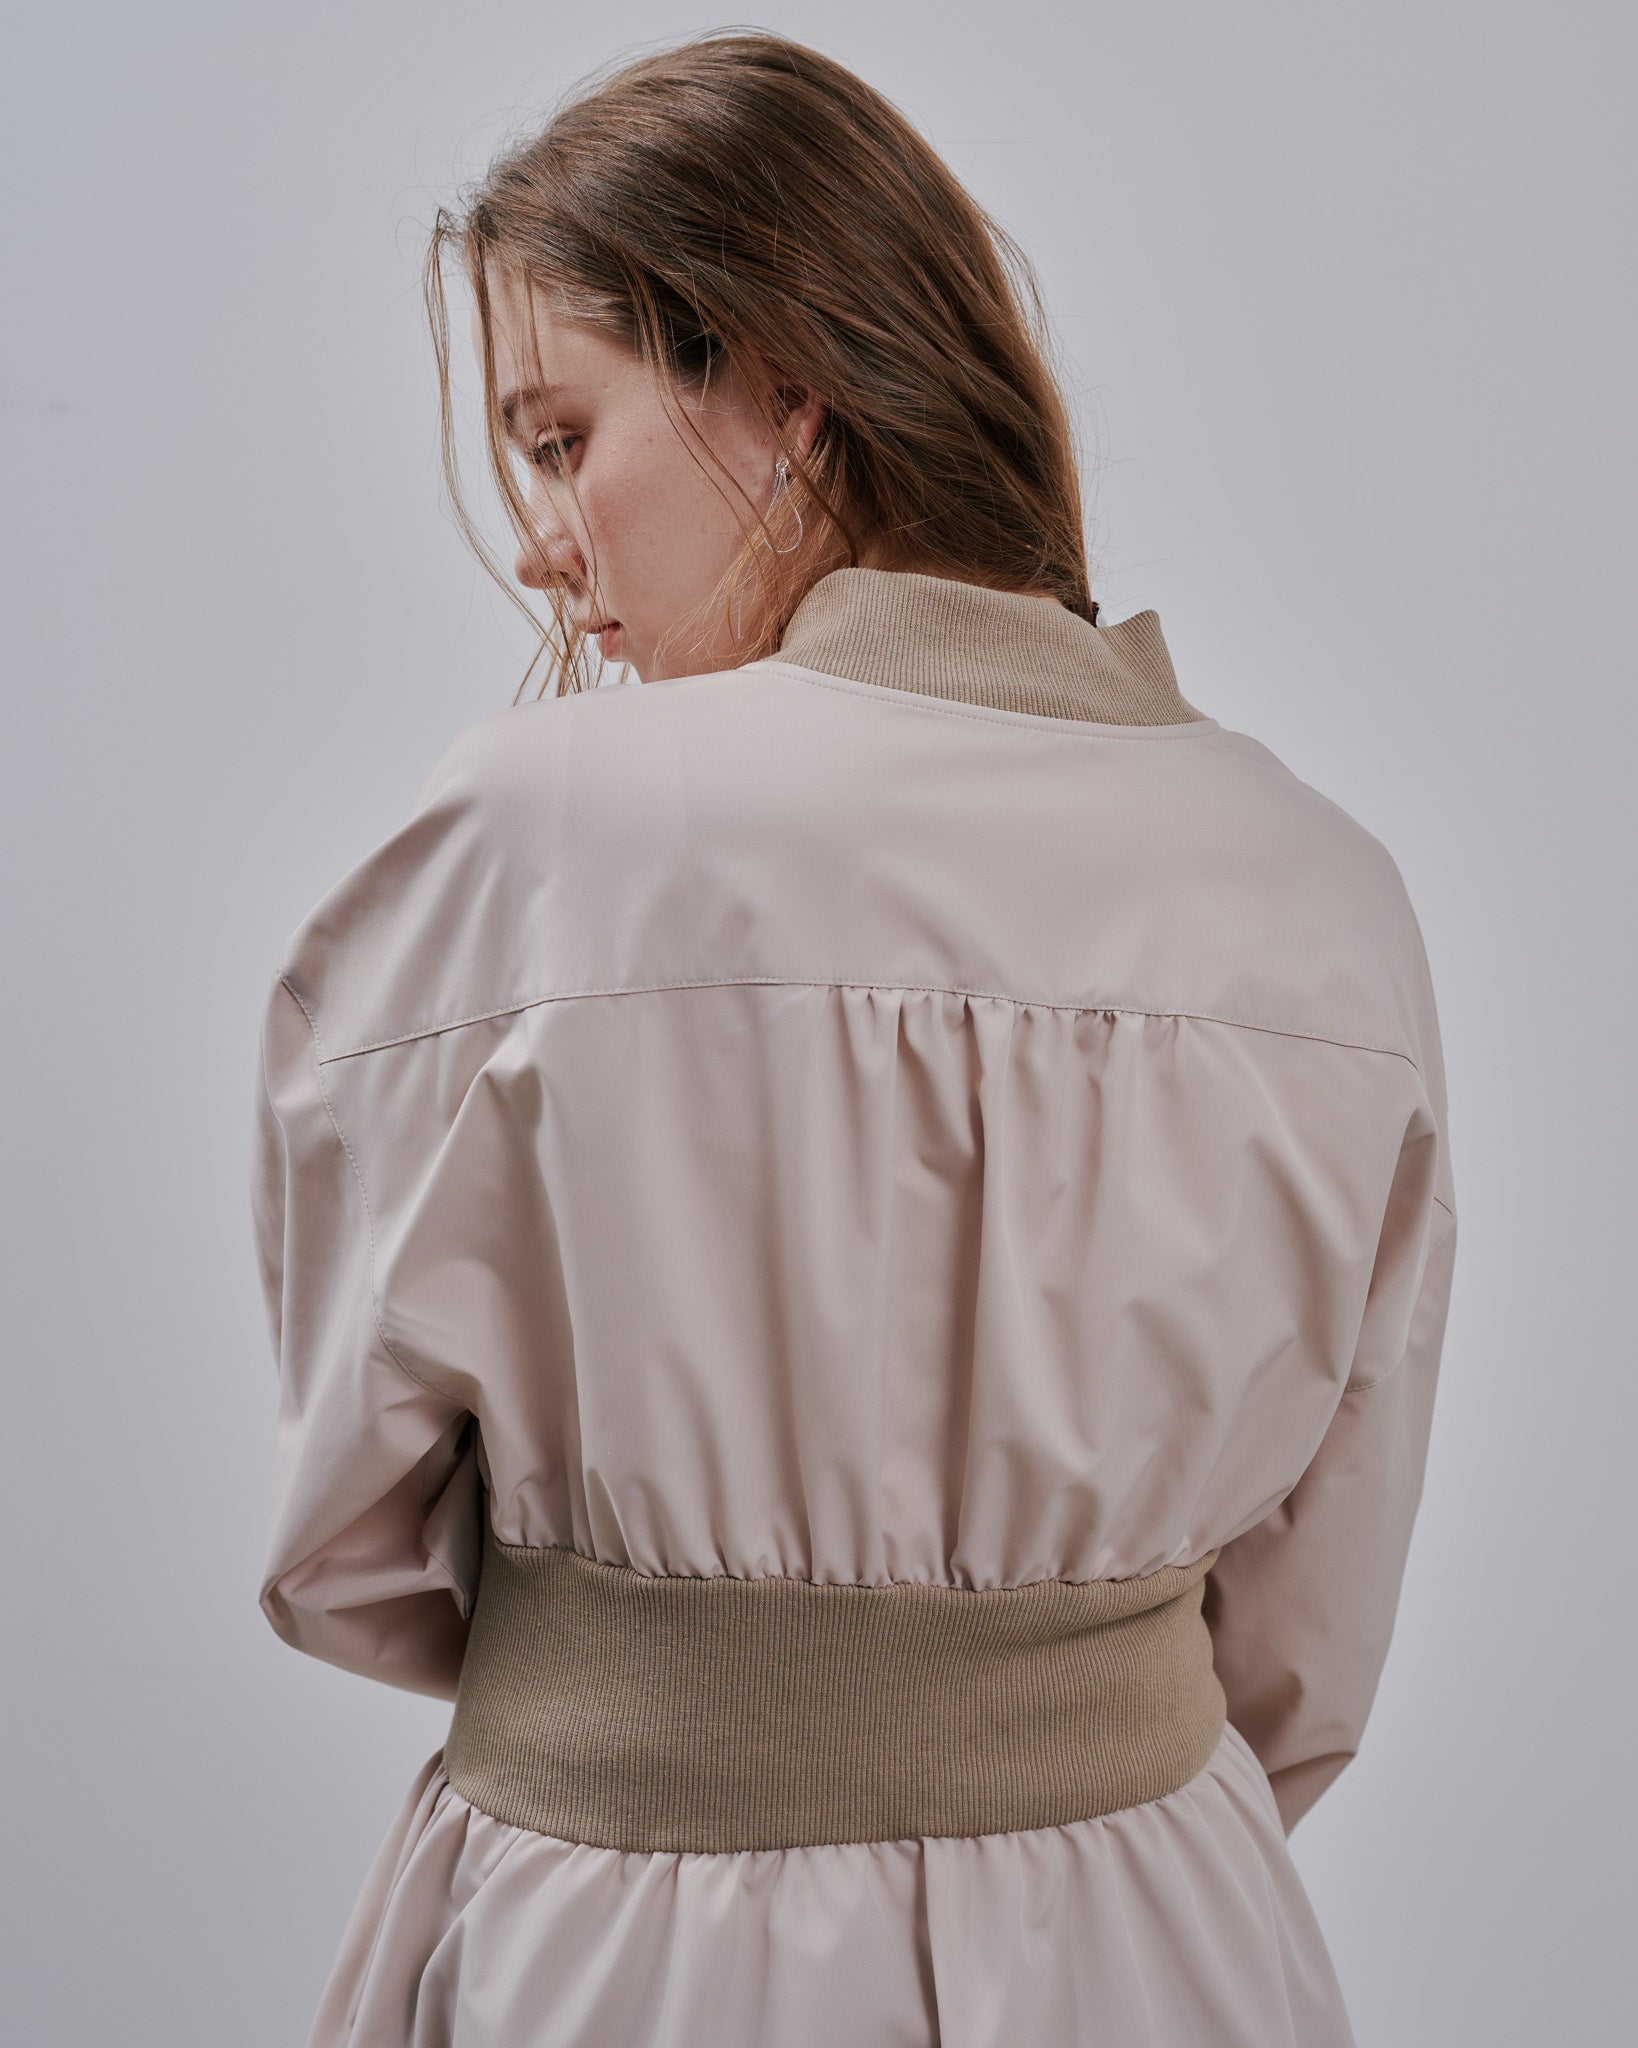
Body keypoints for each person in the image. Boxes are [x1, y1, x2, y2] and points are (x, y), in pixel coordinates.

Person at [250, 29, 1458, 2048]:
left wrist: (678, 1674)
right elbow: (1302, 1652)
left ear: (787, 384)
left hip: (633, 1932)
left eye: (560, 437)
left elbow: (350, 1536)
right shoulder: (1328, 888)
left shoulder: (529, 840)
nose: (542, 540)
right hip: (1162, 1933)